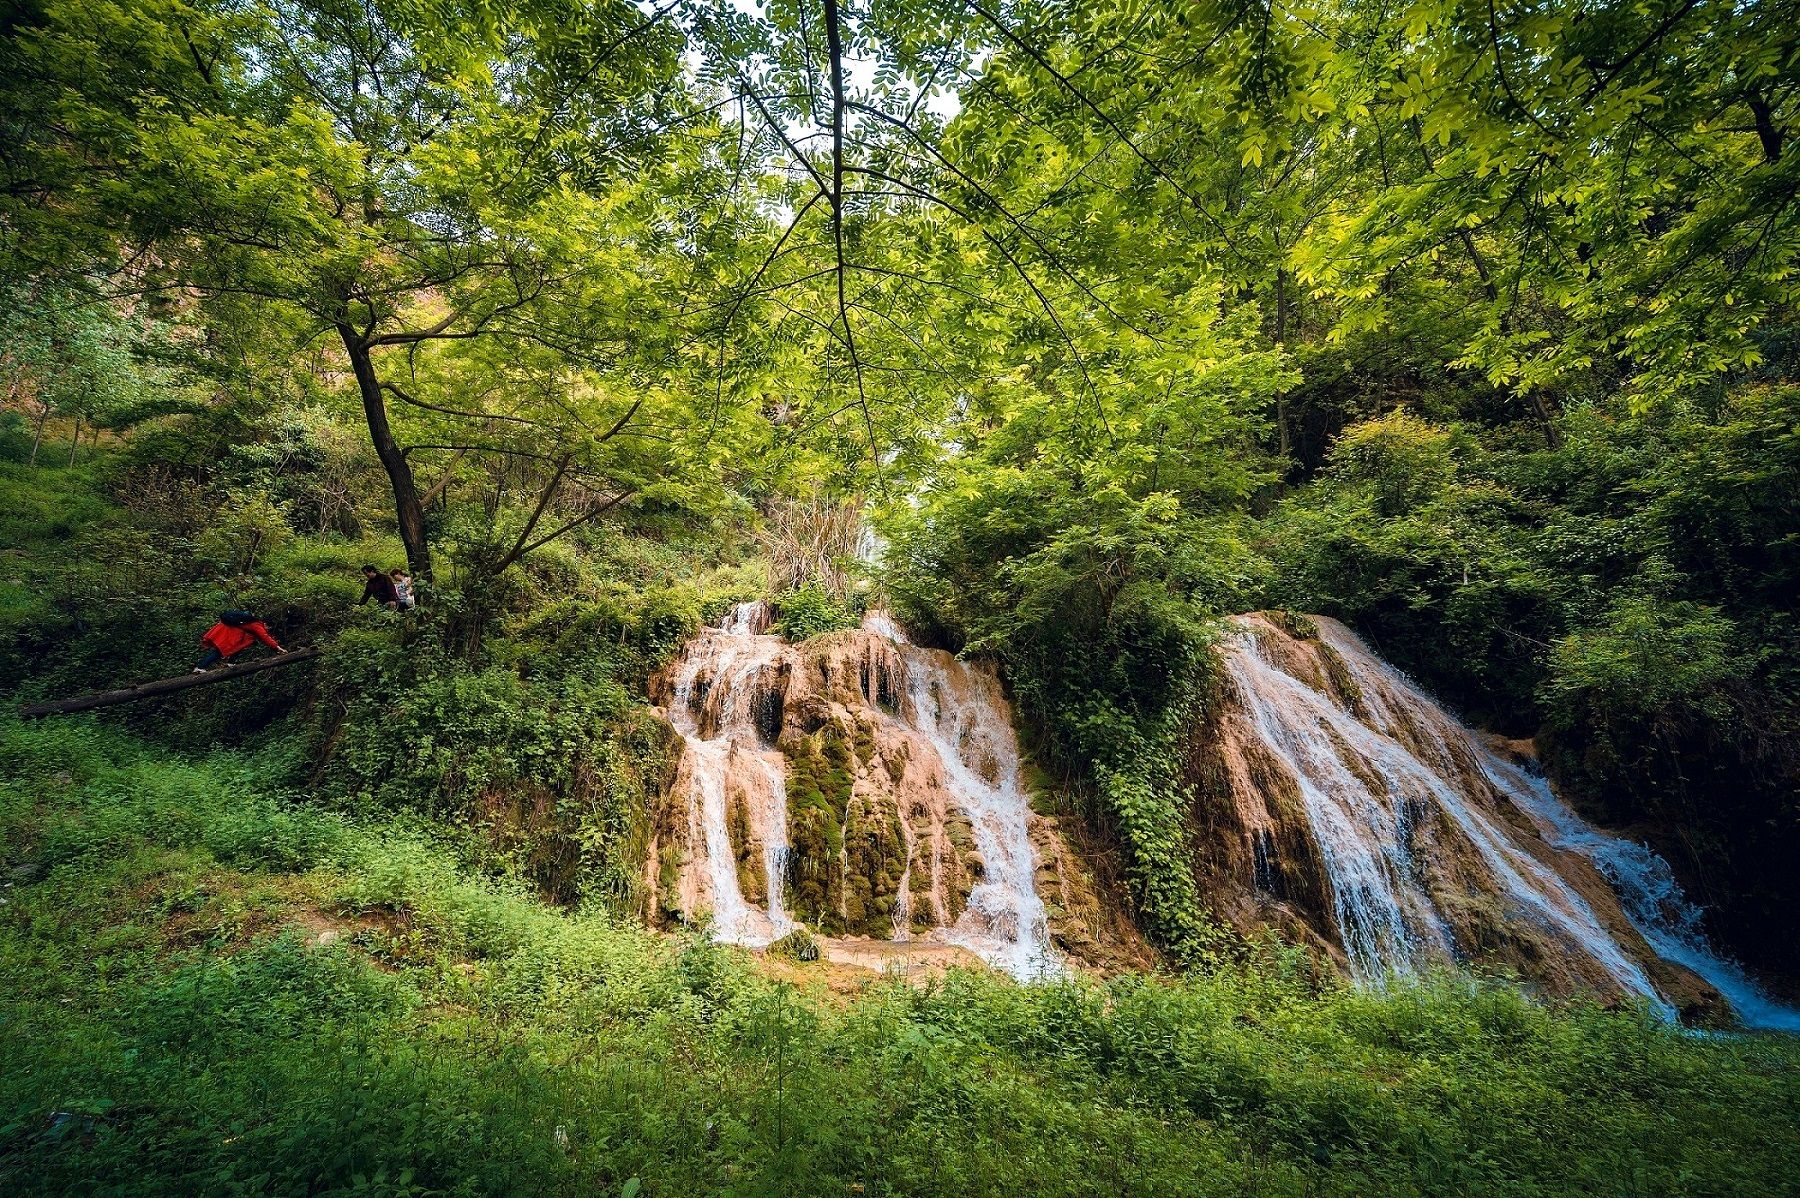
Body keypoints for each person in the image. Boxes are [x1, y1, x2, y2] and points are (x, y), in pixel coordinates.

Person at [193, 610, 286, 672]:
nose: (268, 629)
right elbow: (265, 637)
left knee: (238, 648)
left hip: (230, 635)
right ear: (266, 624)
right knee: (218, 653)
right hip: (229, 636)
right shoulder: (257, 625)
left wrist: (276, 648)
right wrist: (278, 647)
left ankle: (231, 663)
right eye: (268, 627)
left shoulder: (252, 623)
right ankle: (200, 668)